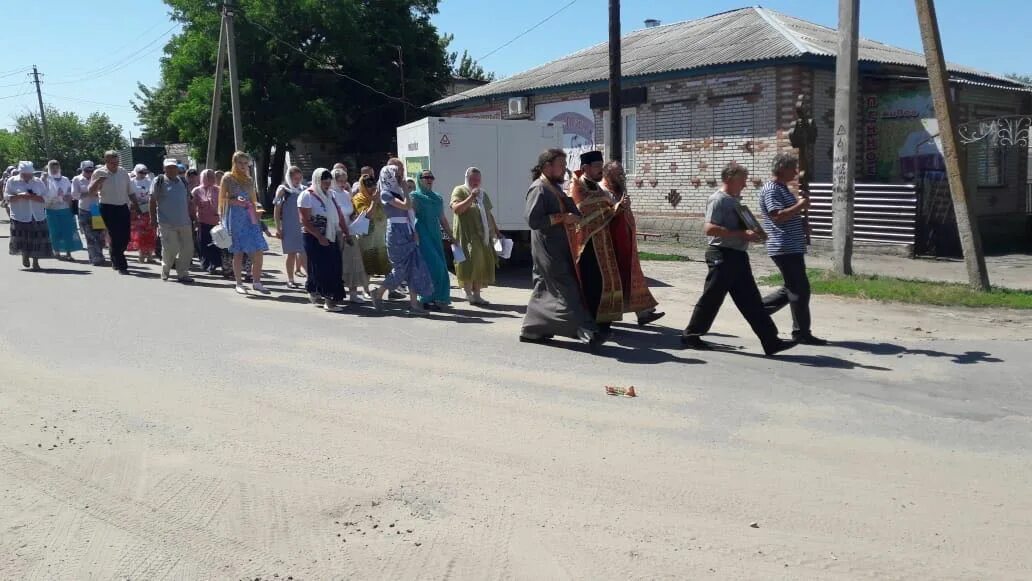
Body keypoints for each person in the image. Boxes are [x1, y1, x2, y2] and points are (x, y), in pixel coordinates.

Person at [681, 163, 796, 356]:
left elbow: (750, 228)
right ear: (730, 178)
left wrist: (758, 234)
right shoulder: (718, 200)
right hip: (721, 254)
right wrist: (742, 234)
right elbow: (709, 229)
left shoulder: (735, 201)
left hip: (738, 256)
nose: (745, 184)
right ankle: (691, 335)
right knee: (712, 298)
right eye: (742, 179)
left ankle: (771, 341)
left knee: (751, 301)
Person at [519, 149, 602, 348]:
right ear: (547, 166)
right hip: (547, 248)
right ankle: (583, 328)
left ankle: (532, 329)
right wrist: (563, 218)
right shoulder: (539, 188)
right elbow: (533, 220)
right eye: (560, 165)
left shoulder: (552, 187)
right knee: (567, 287)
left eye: (565, 165)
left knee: (543, 286)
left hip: (557, 245)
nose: (564, 168)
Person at [759, 153, 826, 345]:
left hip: (792, 244)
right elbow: (778, 216)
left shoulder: (783, 189)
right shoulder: (771, 189)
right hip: (783, 245)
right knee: (799, 289)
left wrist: (802, 224)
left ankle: (758, 311)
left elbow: (788, 216)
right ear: (782, 169)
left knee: (794, 288)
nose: (796, 172)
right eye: (793, 168)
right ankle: (801, 332)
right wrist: (801, 205)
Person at [599, 160, 665, 326]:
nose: (621, 175)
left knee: (631, 277)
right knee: (618, 278)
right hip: (610, 243)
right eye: (617, 172)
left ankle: (643, 312)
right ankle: (616, 313)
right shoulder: (602, 190)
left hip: (625, 240)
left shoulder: (619, 188)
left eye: (622, 171)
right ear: (607, 174)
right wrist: (618, 208)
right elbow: (600, 216)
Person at [369, 161, 433, 314]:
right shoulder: (386, 193)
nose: (400, 177)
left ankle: (414, 305)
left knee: (414, 268)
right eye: (397, 175)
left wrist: (413, 230)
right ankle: (378, 293)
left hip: (407, 229)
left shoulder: (398, 191)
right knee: (400, 269)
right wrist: (405, 189)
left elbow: (408, 211)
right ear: (389, 176)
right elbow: (406, 206)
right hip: (396, 231)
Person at [220, 151, 269, 294]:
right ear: (234, 163)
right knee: (239, 252)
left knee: (258, 250)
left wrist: (257, 208)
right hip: (235, 218)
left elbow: (253, 199)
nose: (242, 165)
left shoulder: (249, 179)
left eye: (245, 163)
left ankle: (257, 282)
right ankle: (239, 283)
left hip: (250, 218)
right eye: (239, 163)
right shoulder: (228, 178)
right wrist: (234, 201)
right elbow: (222, 200)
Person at [299, 168, 347, 311]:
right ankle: (328, 300)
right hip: (313, 236)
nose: (327, 182)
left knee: (333, 266)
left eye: (328, 179)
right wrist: (319, 237)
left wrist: (346, 232)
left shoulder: (331, 195)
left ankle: (315, 291)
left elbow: (338, 215)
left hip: (330, 235)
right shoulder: (306, 196)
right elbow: (305, 221)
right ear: (316, 180)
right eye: (323, 179)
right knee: (322, 268)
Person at [450, 167, 500, 305]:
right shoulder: (459, 190)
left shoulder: (483, 194)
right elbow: (457, 209)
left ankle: (477, 294)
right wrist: (471, 196)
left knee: (481, 263)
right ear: (467, 178)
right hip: (466, 234)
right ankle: (467, 292)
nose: (475, 182)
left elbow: (488, 214)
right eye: (473, 179)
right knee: (468, 262)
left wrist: (496, 230)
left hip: (482, 234)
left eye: (478, 180)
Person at [89, 150, 140, 274]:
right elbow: (91, 191)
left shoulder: (123, 172)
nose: (115, 165)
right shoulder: (99, 172)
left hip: (123, 206)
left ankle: (114, 254)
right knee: (116, 235)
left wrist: (136, 205)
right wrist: (98, 182)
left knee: (125, 237)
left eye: (117, 162)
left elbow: (130, 190)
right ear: (106, 161)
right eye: (112, 162)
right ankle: (122, 265)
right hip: (107, 207)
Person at [411, 169, 452, 309]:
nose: (429, 179)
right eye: (426, 177)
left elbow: (442, 219)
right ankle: (425, 298)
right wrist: (413, 233)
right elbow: (410, 218)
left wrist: (452, 236)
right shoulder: (415, 196)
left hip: (435, 234)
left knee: (441, 267)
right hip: (422, 234)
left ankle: (437, 297)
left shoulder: (437, 198)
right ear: (419, 179)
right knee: (434, 266)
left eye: (431, 177)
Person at [150, 159, 195, 283]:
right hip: (166, 222)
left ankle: (183, 273)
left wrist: (193, 216)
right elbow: (152, 201)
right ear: (164, 169)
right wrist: (152, 218)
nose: (171, 170)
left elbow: (188, 200)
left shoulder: (183, 181)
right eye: (168, 167)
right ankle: (166, 271)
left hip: (184, 221)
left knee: (187, 249)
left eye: (174, 167)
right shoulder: (158, 181)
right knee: (170, 248)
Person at [3, 161, 52, 270]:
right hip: (20, 214)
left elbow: (46, 197)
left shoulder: (38, 181)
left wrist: (33, 197)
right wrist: (20, 196)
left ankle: (36, 262)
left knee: (37, 239)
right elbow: (6, 197)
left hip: (37, 214)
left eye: (30, 174)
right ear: (20, 172)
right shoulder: (12, 181)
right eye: (25, 174)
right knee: (23, 238)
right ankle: (25, 255)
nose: (28, 176)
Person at [331, 168, 370, 302]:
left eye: (344, 181)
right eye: (339, 181)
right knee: (340, 264)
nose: (342, 184)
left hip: (350, 230)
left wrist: (356, 217)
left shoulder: (347, 194)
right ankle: (337, 291)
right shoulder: (331, 194)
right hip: (336, 231)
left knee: (353, 261)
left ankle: (353, 293)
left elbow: (350, 210)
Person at [41, 159, 83, 261]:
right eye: (52, 168)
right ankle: (57, 251)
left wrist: (67, 197)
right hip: (51, 209)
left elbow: (70, 192)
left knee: (67, 231)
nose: (55, 170)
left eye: (56, 167)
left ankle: (68, 253)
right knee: (54, 232)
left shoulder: (65, 179)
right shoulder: (46, 180)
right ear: (49, 168)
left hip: (65, 209)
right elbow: (43, 193)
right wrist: (44, 181)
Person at [273, 166, 306, 288]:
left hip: (302, 226)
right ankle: (290, 279)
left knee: (304, 253)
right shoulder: (283, 190)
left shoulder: (304, 189)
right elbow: (276, 210)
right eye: (295, 178)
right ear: (289, 178)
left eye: (299, 178)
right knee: (291, 254)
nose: (297, 181)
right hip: (289, 226)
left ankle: (311, 278)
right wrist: (278, 228)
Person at [352, 172, 391, 276]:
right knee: (368, 264)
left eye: (373, 185)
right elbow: (366, 216)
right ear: (363, 186)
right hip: (367, 236)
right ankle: (366, 290)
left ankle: (390, 289)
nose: (372, 188)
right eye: (369, 186)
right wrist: (374, 201)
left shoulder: (380, 196)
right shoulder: (358, 198)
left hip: (380, 234)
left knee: (384, 263)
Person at [72, 160, 105, 266]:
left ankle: (100, 254)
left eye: (91, 170)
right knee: (89, 235)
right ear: (82, 170)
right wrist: (88, 193)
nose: (89, 173)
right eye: (87, 170)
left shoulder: (96, 178)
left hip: (96, 209)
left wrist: (97, 193)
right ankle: (94, 257)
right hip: (84, 209)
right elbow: (75, 195)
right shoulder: (77, 179)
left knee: (99, 235)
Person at [192, 169, 223, 274]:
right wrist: (195, 220)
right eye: (208, 176)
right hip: (203, 221)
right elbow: (193, 206)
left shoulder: (218, 190)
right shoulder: (197, 191)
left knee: (216, 244)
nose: (210, 178)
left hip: (217, 222)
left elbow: (223, 205)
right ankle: (206, 263)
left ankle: (214, 264)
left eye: (212, 176)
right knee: (204, 244)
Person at [128, 163, 157, 264]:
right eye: (141, 172)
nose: (143, 174)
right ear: (136, 172)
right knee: (139, 234)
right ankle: (141, 254)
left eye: (145, 172)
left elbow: (153, 194)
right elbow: (128, 195)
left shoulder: (150, 181)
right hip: (136, 210)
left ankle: (149, 255)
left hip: (148, 210)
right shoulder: (131, 182)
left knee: (149, 232)